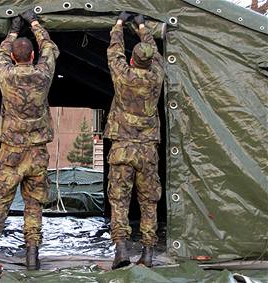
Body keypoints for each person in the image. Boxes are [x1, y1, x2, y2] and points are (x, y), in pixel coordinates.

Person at [0, 9, 59, 272]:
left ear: (14, 56)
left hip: (10, 151)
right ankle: (32, 255)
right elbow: (50, 48)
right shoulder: (43, 74)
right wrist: (34, 23)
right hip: (36, 153)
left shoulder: (5, 73)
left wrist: (13, 30)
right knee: (34, 204)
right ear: (32, 56)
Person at [105, 11, 165, 269]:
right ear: (150, 62)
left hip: (122, 149)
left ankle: (121, 250)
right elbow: (153, 51)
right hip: (147, 151)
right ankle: (148, 253)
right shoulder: (157, 76)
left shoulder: (123, 75)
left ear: (132, 59)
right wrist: (142, 26)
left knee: (119, 201)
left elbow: (113, 52)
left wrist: (119, 24)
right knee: (148, 202)